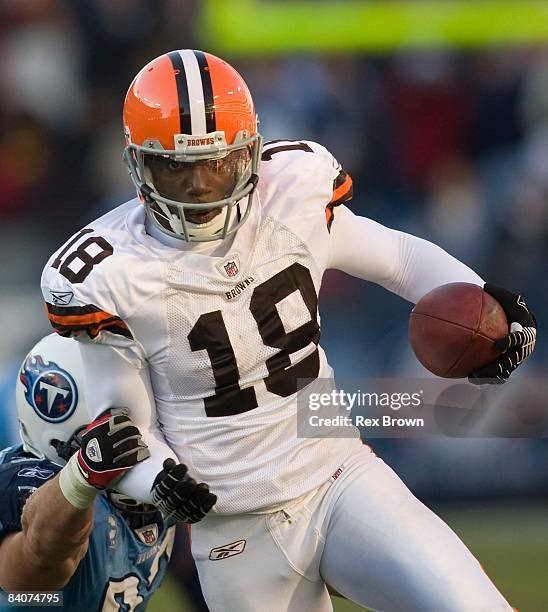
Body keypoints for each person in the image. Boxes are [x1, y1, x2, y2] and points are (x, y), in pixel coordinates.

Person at [40, 49, 536, 611]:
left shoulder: (291, 189)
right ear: (137, 164)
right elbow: (126, 421)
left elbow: (397, 257)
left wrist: (486, 308)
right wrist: (157, 478)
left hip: (340, 477)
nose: (201, 186)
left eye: (218, 163)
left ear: (250, 150)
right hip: (236, 530)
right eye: (177, 168)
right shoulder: (110, 273)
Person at [0, 333, 216, 611]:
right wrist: (81, 478)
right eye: (126, 431)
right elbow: (29, 577)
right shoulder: (28, 481)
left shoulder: (158, 470)